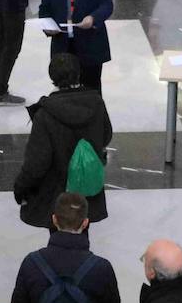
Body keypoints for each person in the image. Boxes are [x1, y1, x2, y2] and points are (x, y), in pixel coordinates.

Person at [14, 54, 113, 227]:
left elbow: (37, 162)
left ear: (53, 78)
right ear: (78, 73)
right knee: (83, 229)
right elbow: (106, 135)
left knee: (59, 235)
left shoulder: (45, 114)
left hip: (57, 192)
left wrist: (21, 188)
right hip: (88, 187)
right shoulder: (96, 103)